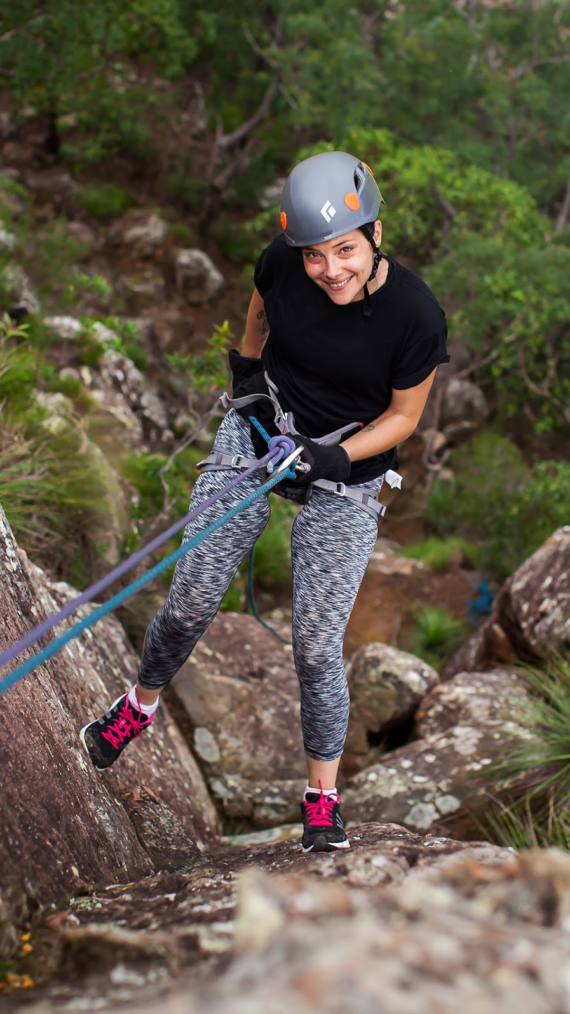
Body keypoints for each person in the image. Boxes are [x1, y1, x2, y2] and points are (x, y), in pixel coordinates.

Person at [80, 151, 450, 853]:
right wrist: (247, 376)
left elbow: (404, 418)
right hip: (263, 429)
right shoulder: (283, 262)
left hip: (351, 461)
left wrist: (335, 457)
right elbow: (259, 304)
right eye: (315, 254)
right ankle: (139, 707)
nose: (330, 269)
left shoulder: (415, 316)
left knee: (315, 645)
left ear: (376, 233)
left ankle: (321, 798)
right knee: (191, 596)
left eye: (345, 248)